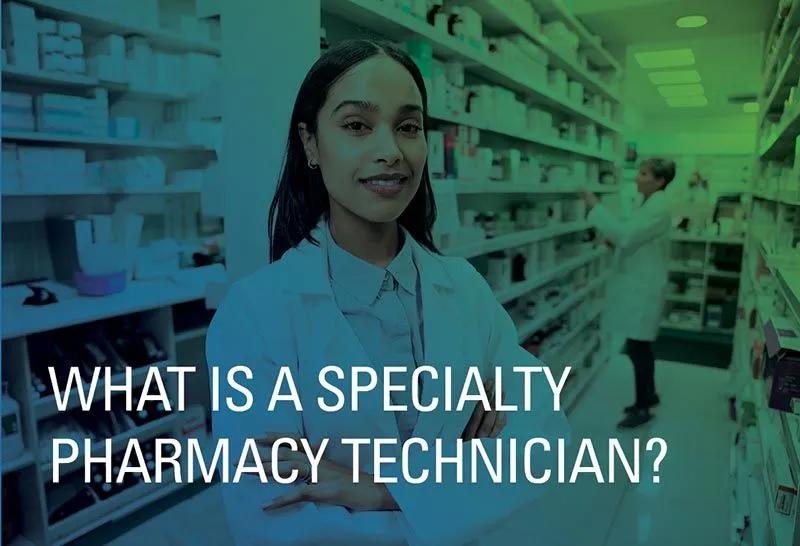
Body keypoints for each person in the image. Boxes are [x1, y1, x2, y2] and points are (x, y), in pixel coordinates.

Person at [206, 39, 568, 546]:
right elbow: (269, 512)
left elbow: (540, 446)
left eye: (408, 126)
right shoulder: (257, 312)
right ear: (310, 144)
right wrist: (457, 489)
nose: (390, 151)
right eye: (356, 125)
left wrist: (378, 492)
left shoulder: (463, 288)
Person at [580, 158, 675, 429]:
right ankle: (649, 396)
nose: (637, 178)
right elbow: (631, 239)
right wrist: (616, 242)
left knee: (638, 347)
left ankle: (643, 408)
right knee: (639, 345)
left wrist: (593, 204)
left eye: (644, 174)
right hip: (639, 281)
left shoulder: (659, 207)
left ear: (660, 181)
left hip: (644, 286)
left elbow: (625, 235)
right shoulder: (647, 203)